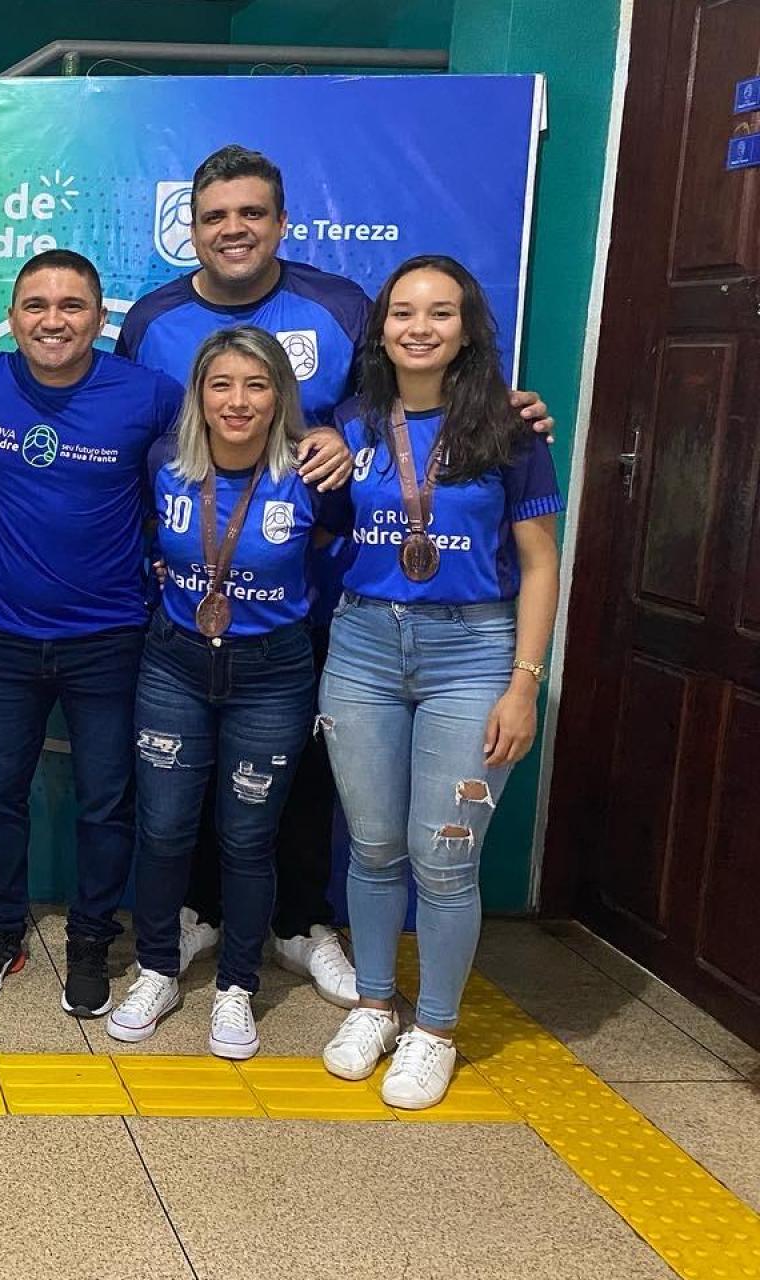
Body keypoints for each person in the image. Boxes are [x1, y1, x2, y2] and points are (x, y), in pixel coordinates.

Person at [120, 144, 553, 1006]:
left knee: (306, 775)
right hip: (200, 583)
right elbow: (147, 436)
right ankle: (201, 916)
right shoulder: (152, 318)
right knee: (190, 781)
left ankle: (297, 925)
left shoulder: (339, 304)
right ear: (190, 231)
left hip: (320, 583)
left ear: (283, 222)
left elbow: (392, 404)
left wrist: (502, 408)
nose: (233, 229)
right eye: (214, 217)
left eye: (251, 213)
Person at [0, 249, 348, 1019]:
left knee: (108, 803)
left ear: (102, 320)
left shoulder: (152, 395)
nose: (53, 319)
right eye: (35, 304)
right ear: (11, 317)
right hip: (2, 634)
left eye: (72, 305)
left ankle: (94, 940)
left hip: (113, 637)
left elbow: (223, 447)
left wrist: (338, 436)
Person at [317, 255, 561, 1109]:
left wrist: (525, 684)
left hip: (475, 652)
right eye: (403, 312)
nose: (420, 327)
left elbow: (539, 563)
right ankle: (377, 1004)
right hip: (362, 647)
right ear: (380, 327)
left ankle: (436, 1029)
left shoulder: (508, 427)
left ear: (467, 328)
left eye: (441, 313)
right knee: (375, 845)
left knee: (445, 858)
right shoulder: (351, 422)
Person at [107, 327, 331, 1059]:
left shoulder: (312, 474)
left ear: (280, 397)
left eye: (256, 385)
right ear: (198, 394)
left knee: (247, 838)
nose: (237, 402)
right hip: (174, 665)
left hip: (272, 672)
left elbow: (339, 548)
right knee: (165, 829)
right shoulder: (164, 464)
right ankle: (157, 969)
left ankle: (237, 986)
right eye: (222, 385)